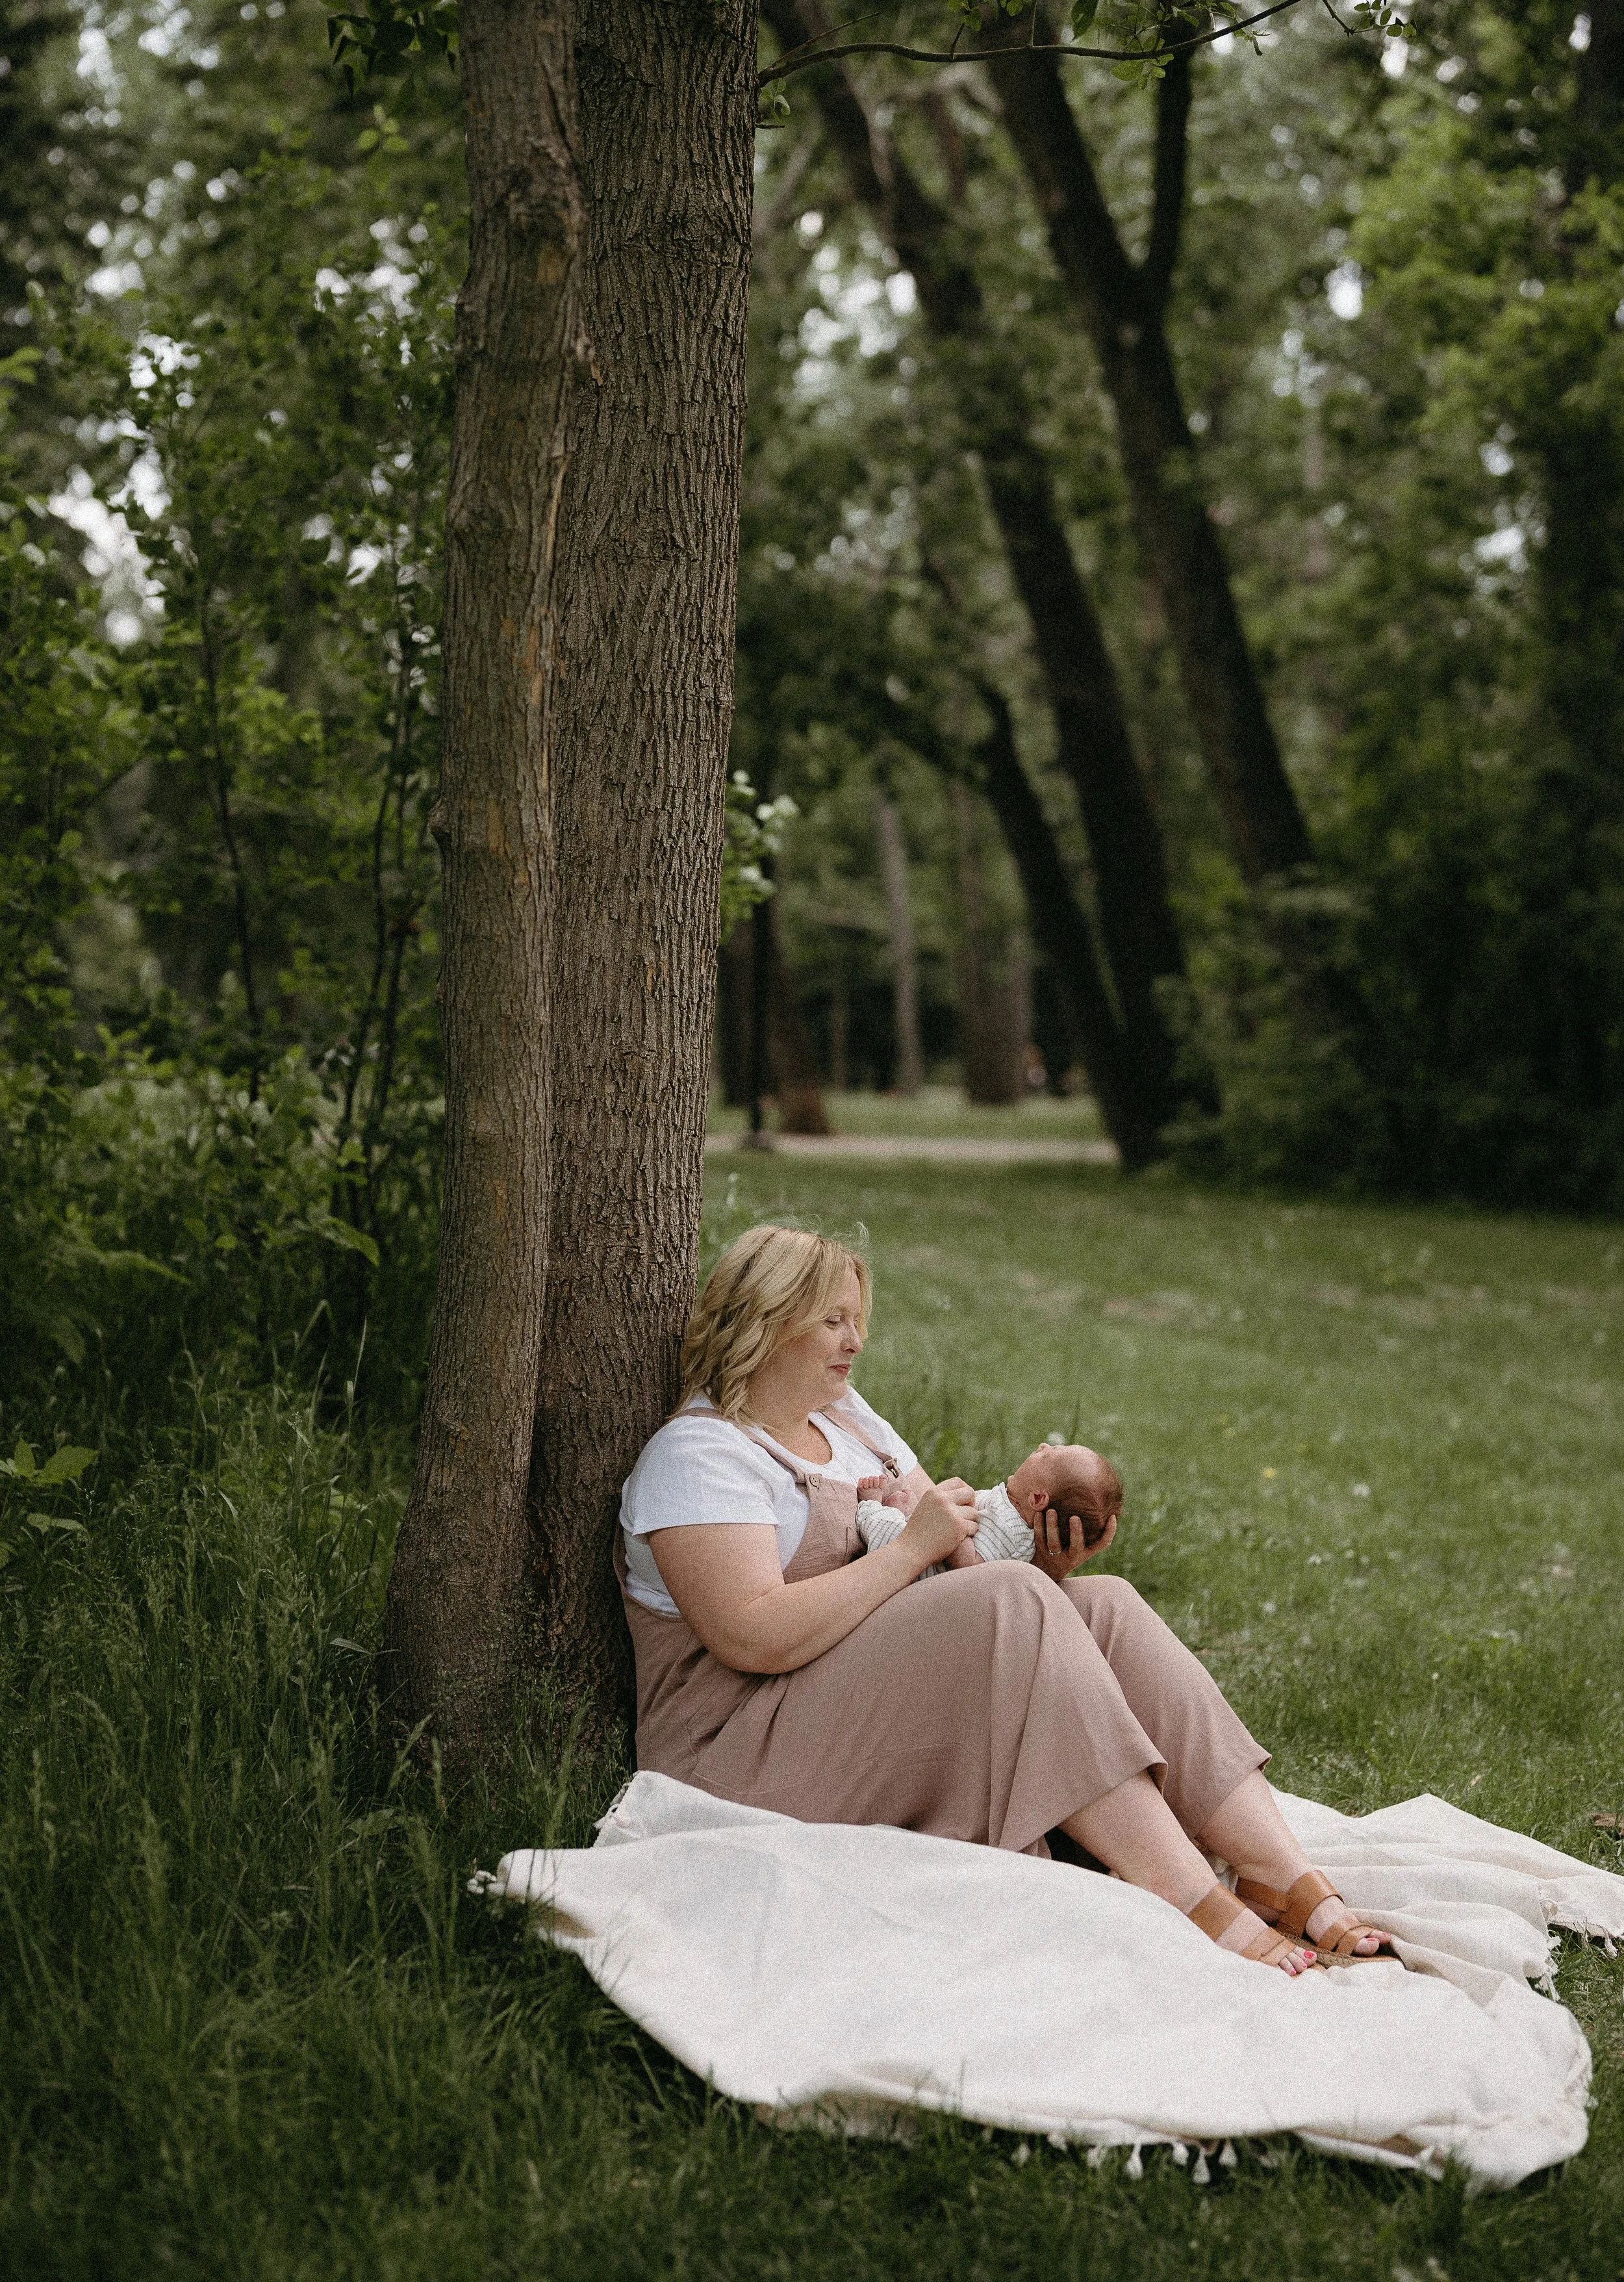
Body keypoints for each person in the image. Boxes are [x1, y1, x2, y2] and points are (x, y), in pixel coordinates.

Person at [617, 1223, 1396, 1974]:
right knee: (1013, 1603)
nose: (856, 1341)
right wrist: (922, 1548)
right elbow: (751, 1635)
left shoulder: (850, 1422)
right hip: (741, 1747)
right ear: (764, 1322)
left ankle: (1276, 1870)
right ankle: (1183, 1889)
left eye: (858, 1318)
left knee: (1106, 1604)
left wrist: (1046, 1569)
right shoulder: (702, 1452)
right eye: (833, 1320)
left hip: (844, 1698)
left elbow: (955, 1571)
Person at [854, 1441, 1122, 1572]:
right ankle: (899, 1513)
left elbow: (973, 1570)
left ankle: (871, 1508)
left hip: (924, 1575)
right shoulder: (1011, 1515)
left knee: (888, 1531)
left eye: (1049, 1454)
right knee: (910, 1506)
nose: (1042, 1445)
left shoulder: (1011, 1529)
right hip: (926, 1550)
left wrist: (955, 1528)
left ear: (1037, 1499)